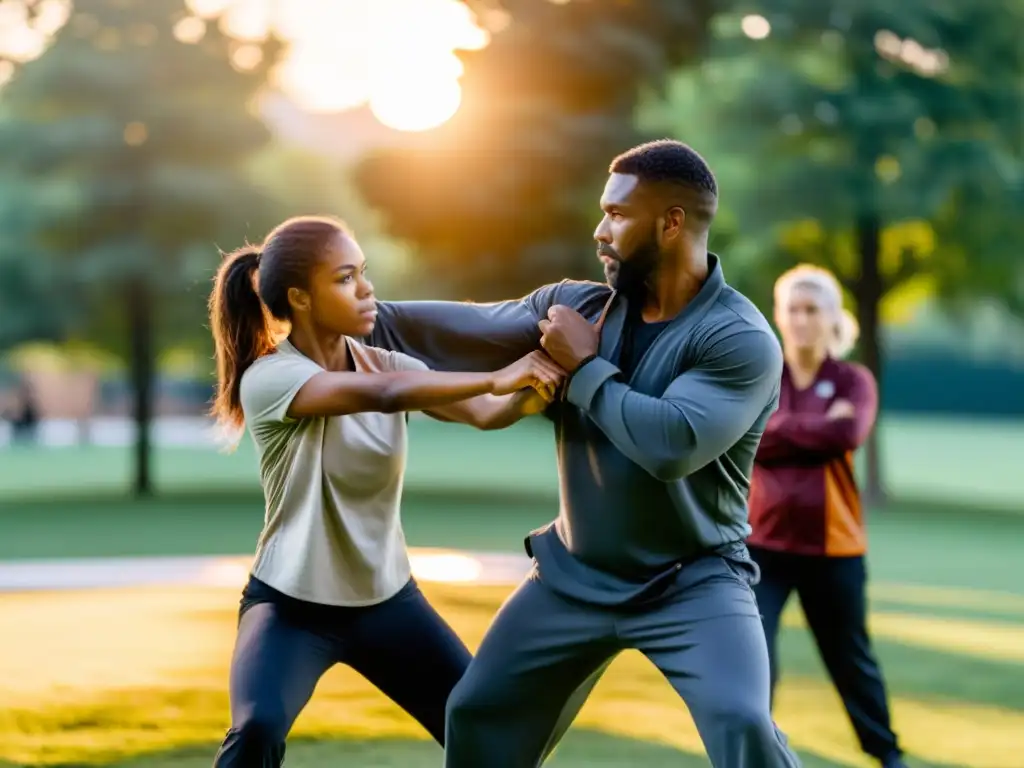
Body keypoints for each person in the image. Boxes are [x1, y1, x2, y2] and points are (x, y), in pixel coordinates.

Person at [366, 140, 802, 767]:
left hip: (694, 582)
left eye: (618, 215)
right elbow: (465, 328)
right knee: (475, 712)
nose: (599, 231)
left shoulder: (740, 338)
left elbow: (671, 443)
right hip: (574, 576)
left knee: (743, 721)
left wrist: (587, 368)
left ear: (671, 222)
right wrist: (354, 314)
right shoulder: (580, 306)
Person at [206, 215, 566, 766]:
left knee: (490, 737)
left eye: (364, 272)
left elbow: (486, 413)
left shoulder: (387, 361)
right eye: (345, 278)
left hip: (388, 604)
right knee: (257, 728)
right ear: (300, 298)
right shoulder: (271, 378)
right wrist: (499, 374)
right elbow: (385, 393)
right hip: (290, 607)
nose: (368, 289)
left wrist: (544, 379)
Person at [747, 265, 906, 768]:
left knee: (852, 664)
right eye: (792, 308)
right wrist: (812, 425)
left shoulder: (853, 380)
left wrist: (777, 430)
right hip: (762, 548)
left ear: (833, 318)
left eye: (811, 309)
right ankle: (755, 755)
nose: (800, 319)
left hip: (833, 551)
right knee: (752, 661)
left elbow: (845, 436)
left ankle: (887, 755)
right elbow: (746, 440)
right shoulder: (762, 376)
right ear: (779, 315)